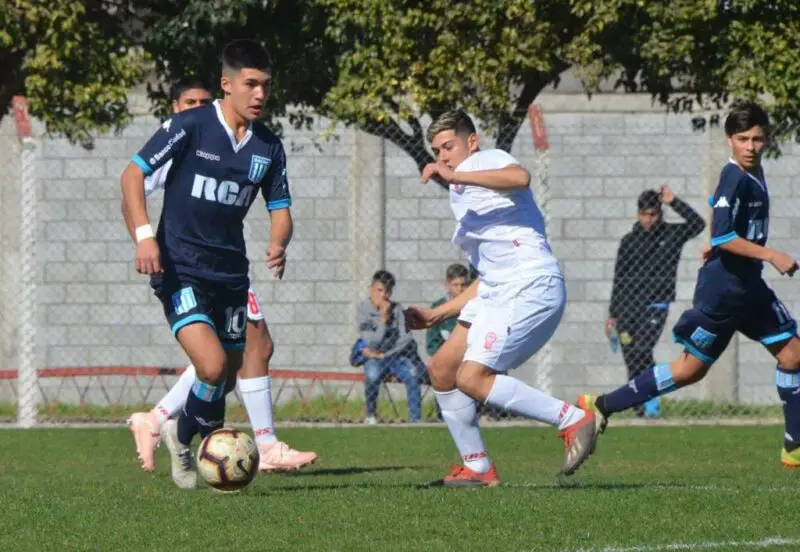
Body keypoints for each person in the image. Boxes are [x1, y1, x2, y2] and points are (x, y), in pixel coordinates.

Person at [578, 101, 800, 468]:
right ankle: (600, 406)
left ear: (765, 139)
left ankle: (794, 448)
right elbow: (725, 233)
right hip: (724, 293)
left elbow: (718, 220)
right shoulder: (734, 176)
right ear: (730, 140)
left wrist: (715, 246)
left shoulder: (754, 172)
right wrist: (771, 255)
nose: (749, 146)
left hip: (748, 286)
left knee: (792, 354)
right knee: (687, 371)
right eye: (742, 138)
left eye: (757, 139)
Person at [120, 39, 298, 489]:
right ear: (227, 85)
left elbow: (280, 207)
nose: (259, 94)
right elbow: (132, 175)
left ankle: (179, 436)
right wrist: (145, 238)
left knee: (225, 375)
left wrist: (279, 243)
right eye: (250, 84)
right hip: (180, 267)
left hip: (231, 275)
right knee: (214, 365)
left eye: (266, 85)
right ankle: (201, 446)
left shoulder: (268, 147)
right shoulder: (191, 125)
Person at [406, 109, 600, 487]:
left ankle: (574, 419)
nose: (442, 156)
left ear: (472, 142)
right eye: (436, 150)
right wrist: (437, 314)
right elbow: (488, 275)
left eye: (449, 146)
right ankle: (478, 468)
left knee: (473, 377)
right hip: (500, 289)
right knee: (443, 368)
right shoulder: (461, 192)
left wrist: (454, 173)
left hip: (530, 284)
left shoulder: (486, 160)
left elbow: (520, 176)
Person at [607, 186, 705, 417]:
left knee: (642, 349)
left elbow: (698, 224)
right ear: (638, 214)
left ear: (660, 214)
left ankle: (651, 398)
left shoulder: (672, 235)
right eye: (644, 215)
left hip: (656, 305)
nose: (648, 220)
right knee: (631, 356)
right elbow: (619, 278)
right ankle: (639, 406)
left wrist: (673, 201)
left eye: (653, 215)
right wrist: (613, 314)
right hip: (628, 308)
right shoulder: (629, 241)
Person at [357, 270, 424, 424]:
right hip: (373, 358)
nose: (384, 296)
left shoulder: (397, 309)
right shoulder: (363, 310)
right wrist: (383, 320)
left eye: (387, 291)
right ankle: (371, 415)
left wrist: (385, 355)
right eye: (379, 290)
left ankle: (415, 419)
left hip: (395, 356)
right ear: (371, 289)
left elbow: (406, 338)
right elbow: (371, 343)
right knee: (372, 375)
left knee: (413, 374)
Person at [426, 263, 470, 357]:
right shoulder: (438, 308)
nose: (460, 289)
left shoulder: (475, 306)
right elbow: (432, 344)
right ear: (447, 286)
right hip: (447, 358)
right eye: (455, 285)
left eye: (463, 284)